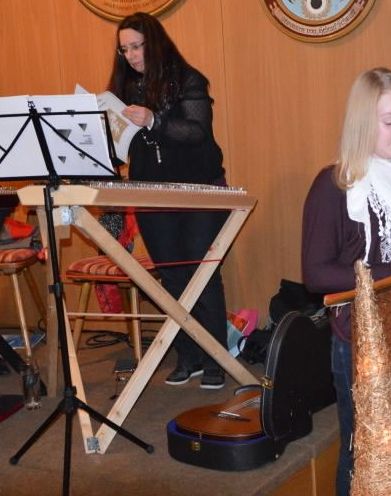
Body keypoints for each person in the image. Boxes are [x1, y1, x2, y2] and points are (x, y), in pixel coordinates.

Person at [301, 67, 391, 495]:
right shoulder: (334, 185)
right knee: (363, 453)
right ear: (364, 122)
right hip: (361, 340)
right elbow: (316, 274)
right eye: (389, 121)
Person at [107, 12, 228, 389]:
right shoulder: (124, 85)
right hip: (150, 192)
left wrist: (153, 120)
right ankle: (188, 355)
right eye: (125, 49)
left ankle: (216, 358)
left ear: (154, 43)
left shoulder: (189, 79)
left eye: (136, 46)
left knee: (201, 273)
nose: (131, 55)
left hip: (198, 189)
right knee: (172, 275)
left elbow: (197, 132)